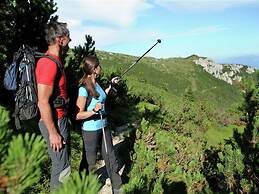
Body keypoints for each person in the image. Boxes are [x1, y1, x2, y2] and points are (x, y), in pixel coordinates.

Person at [76, 55, 123, 194]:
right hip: (90, 130)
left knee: (111, 158)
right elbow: (78, 114)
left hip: (104, 126)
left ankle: (118, 188)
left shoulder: (97, 84)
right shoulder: (83, 89)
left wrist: (110, 87)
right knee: (90, 164)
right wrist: (93, 111)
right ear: (94, 69)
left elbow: (101, 98)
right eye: (98, 65)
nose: (100, 67)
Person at [36, 21, 71, 190]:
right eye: (67, 36)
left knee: (63, 164)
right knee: (62, 167)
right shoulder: (48, 63)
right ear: (60, 39)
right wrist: (53, 133)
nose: (70, 40)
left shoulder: (55, 61)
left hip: (59, 120)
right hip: (54, 122)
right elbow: (42, 101)